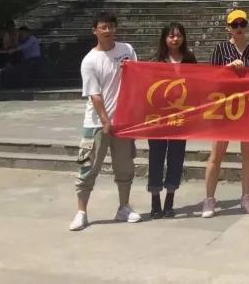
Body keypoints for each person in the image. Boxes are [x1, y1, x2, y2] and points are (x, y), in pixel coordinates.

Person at [69, 13, 140, 231]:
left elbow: (137, 78)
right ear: (95, 31)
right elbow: (94, 94)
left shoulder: (127, 50)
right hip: (97, 124)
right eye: (103, 27)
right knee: (88, 168)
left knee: (124, 167)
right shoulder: (90, 60)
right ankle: (81, 212)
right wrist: (105, 120)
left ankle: (124, 207)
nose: (108, 31)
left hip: (123, 122)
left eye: (111, 27)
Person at [202, 9, 249, 219]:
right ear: (228, 28)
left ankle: (246, 197)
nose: (239, 28)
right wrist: (228, 68)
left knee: (248, 154)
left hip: (248, 107)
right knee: (216, 154)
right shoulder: (220, 49)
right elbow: (211, 78)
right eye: (235, 25)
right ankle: (209, 199)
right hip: (224, 107)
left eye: (242, 24)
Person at [148, 22, 196, 219]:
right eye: (171, 36)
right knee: (156, 156)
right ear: (164, 38)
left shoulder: (190, 59)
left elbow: (199, 84)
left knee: (176, 157)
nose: (175, 39)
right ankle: (155, 201)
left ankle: (170, 200)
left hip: (181, 117)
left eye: (178, 35)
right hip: (158, 117)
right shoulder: (156, 60)